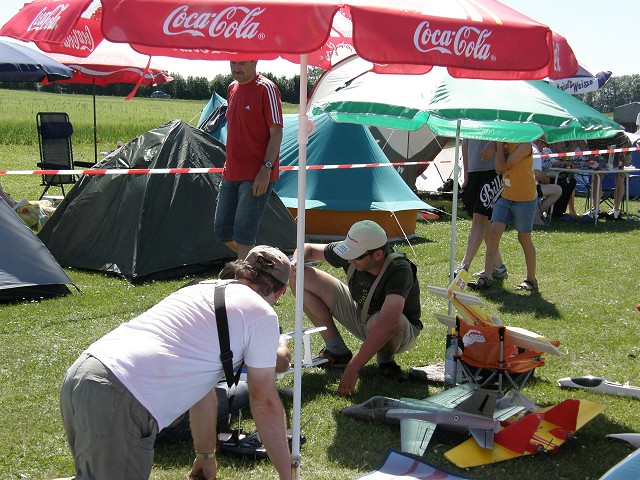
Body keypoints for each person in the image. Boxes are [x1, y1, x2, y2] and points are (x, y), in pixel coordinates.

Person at [59, 246, 293, 480]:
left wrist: (205, 455)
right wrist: (287, 474)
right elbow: (264, 402)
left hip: (85, 371)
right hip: (121, 393)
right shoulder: (262, 313)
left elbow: (202, 391)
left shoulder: (199, 288)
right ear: (281, 291)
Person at [290, 220, 423, 396]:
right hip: (363, 316)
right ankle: (337, 350)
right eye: (349, 253)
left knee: (385, 321)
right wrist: (296, 261)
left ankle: (386, 360)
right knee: (299, 276)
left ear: (377, 255)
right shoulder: (352, 253)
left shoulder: (399, 270)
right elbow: (308, 248)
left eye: (357, 256)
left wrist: (353, 368)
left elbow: (388, 324)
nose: (350, 260)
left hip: (399, 332)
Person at [214, 60, 284, 260]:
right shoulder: (231, 88)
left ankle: (245, 280)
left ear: (255, 61)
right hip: (231, 172)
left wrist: (266, 169)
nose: (236, 68)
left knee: (244, 235)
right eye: (233, 63)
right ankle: (260, 264)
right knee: (222, 230)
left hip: (256, 175)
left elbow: (276, 133)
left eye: (242, 63)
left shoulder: (267, 88)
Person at [471, 142, 538, 292]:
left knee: (524, 238)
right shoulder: (504, 143)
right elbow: (498, 168)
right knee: (493, 233)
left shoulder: (525, 144)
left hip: (525, 199)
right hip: (506, 196)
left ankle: (531, 280)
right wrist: (497, 144)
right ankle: (486, 277)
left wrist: (498, 145)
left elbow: (504, 166)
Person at [455, 139, 507, 279]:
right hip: (474, 171)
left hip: (493, 170)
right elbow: (465, 142)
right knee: (483, 221)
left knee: (480, 218)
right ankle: (498, 266)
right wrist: (466, 174)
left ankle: (464, 266)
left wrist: (494, 144)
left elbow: (506, 133)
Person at [531, 140, 562, 226]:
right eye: (543, 146)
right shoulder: (534, 149)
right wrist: (546, 180)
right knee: (557, 190)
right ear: (539, 143)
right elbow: (536, 173)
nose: (543, 149)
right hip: (529, 187)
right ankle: (536, 216)